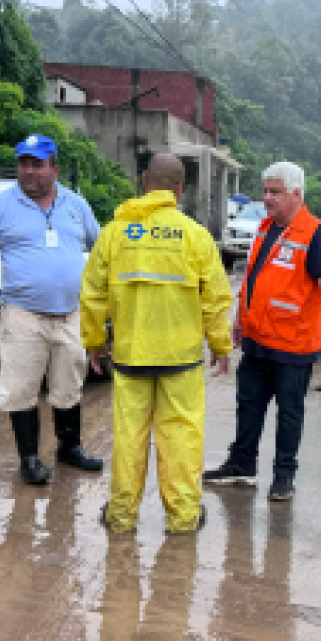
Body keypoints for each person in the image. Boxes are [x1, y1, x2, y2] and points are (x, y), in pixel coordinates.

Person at [81, 153, 233, 534]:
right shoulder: (195, 235)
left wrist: (95, 341)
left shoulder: (116, 231)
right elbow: (215, 297)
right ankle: (182, 519)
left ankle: (121, 516)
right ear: (180, 189)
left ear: (145, 180)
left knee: (129, 437)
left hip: (131, 354)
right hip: (180, 359)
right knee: (181, 437)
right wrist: (220, 344)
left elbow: (93, 293)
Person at [0, 134, 103, 485]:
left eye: (37, 164)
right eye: (23, 163)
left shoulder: (77, 206)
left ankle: (70, 448)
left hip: (70, 314)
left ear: (54, 168)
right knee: (22, 388)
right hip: (22, 314)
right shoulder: (0, 206)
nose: (29, 171)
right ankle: (30, 458)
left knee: (68, 384)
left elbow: (102, 248)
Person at [203, 161, 321, 501]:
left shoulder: (314, 233)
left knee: (289, 414)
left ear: (296, 194)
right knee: (248, 406)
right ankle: (242, 465)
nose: (267, 198)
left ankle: (283, 477)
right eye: (265, 191)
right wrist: (238, 319)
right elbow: (253, 277)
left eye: (275, 192)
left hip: (293, 347)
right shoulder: (264, 228)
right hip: (257, 340)